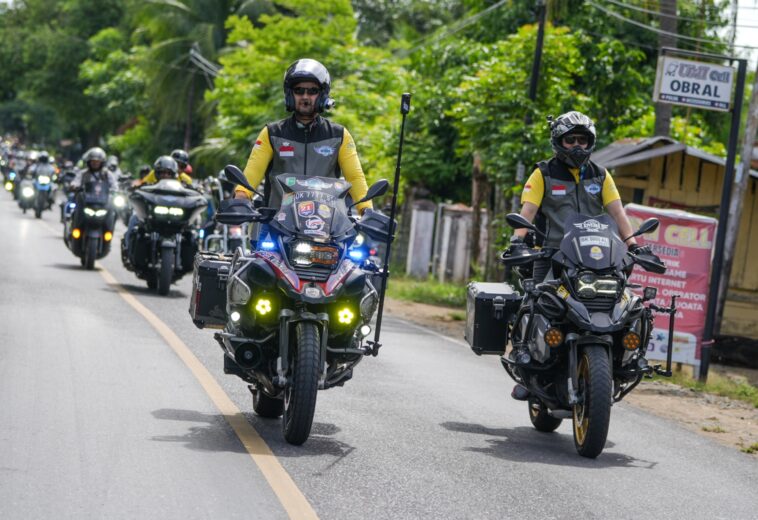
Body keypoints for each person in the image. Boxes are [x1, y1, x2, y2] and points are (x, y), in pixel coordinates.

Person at [506, 111, 651, 366]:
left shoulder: (601, 175)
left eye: (582, 140)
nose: (576, 146)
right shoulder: (543, 173)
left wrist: (633, 245)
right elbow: (527, 211)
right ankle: (524, 356)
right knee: (535, 302)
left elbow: (618, 213)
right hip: (551, 254)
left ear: (590, 142)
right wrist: (517, 240)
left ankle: (625, 359)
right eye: (570, 140)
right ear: (558, 142)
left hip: (596, 257)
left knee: (626, 303)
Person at [232, 58, 373, 218]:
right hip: (276, 226)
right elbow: (253, 171)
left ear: (323, 95)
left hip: (327, 229)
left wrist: (366, 210)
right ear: (290, 94)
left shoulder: (339, 135)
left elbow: (354, 177)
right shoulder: (272, 133)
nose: (305, 96)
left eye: (312, 91)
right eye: (299, 90)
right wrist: (241, 198)